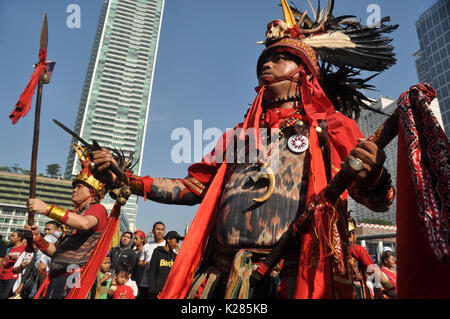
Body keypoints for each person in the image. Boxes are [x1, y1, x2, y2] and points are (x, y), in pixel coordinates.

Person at [92, 1, 398, 299]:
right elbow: (191, 188)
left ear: (304, 71)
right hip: (224, 278)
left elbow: (380, 201)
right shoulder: (238, 137)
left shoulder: (333, 127)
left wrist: (374, 176)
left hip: (292, 278)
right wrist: (126, 180)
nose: (267, 63)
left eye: (280, 58)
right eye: (265, 59)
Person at [25, 161, 108, 299]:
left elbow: (84, 223)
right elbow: (55, 252)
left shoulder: (98, 209)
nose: (74, 190)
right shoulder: (73, 216)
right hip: (57, 275)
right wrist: (38, 239)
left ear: (92, 190)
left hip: (75, 273)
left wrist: (47, 208)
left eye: (79, 186)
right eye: (74, 187)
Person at [348, 217, 381, 299]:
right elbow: (373, 270)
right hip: (357, 291)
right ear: (352, 234)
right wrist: (379, 291)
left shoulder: (335, 251)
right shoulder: (357, 249)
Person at [148, 231, 183, 299]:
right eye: (176, 241)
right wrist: (154, 291)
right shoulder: (157, 252)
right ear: (168, 240)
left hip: (169, 293)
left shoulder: (175, 256)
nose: (177, 244)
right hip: (156, 293)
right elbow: (152, 272)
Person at [138, 222, 166, 298]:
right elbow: (140, 262)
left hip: (159, 286)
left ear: (164, 232)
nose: (160, 231)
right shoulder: (146, 246)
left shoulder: (167, 246)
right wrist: (143, 264)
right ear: (153, 231)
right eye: (158, 229)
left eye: (162, 230)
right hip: (145, 284)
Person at [0, 230, 25, 299]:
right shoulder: (10, 249)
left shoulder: (24, 248)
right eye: (11, 235)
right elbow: (4, 262)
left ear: (19, 238)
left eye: (13, 236)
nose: (10, 237)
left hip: (13, 278)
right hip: (3, 276)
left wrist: (17, 260)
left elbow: (25, 263)